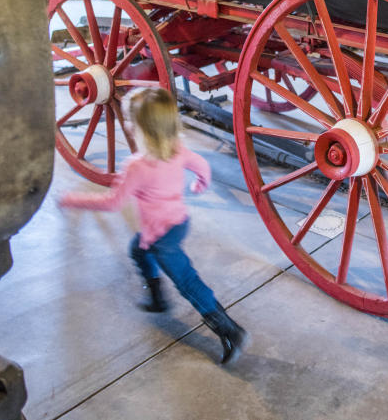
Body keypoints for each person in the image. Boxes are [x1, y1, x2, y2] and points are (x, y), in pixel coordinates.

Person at [59, 87, 248, 366]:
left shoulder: (136, 166)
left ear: (140, 129)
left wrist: (74, 199)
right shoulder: (178, 150)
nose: (126, 125)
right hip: (177, 224)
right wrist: (199, 185)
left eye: (129, 121)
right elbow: (202, 167)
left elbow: (113, 203)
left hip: (162, 238)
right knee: (138, 251)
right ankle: (158, 298)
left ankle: (230, 330)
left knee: (187, 282)